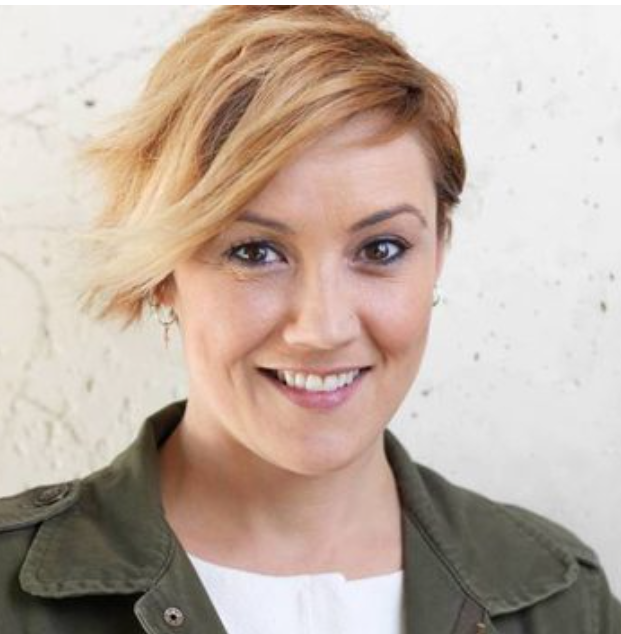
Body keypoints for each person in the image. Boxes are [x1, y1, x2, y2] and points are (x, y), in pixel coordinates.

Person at [0, 6, 618, 633]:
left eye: (381, 249)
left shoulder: (561, 603)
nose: (323, 328)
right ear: (162, 273)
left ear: (439, 251)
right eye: (254, 252)